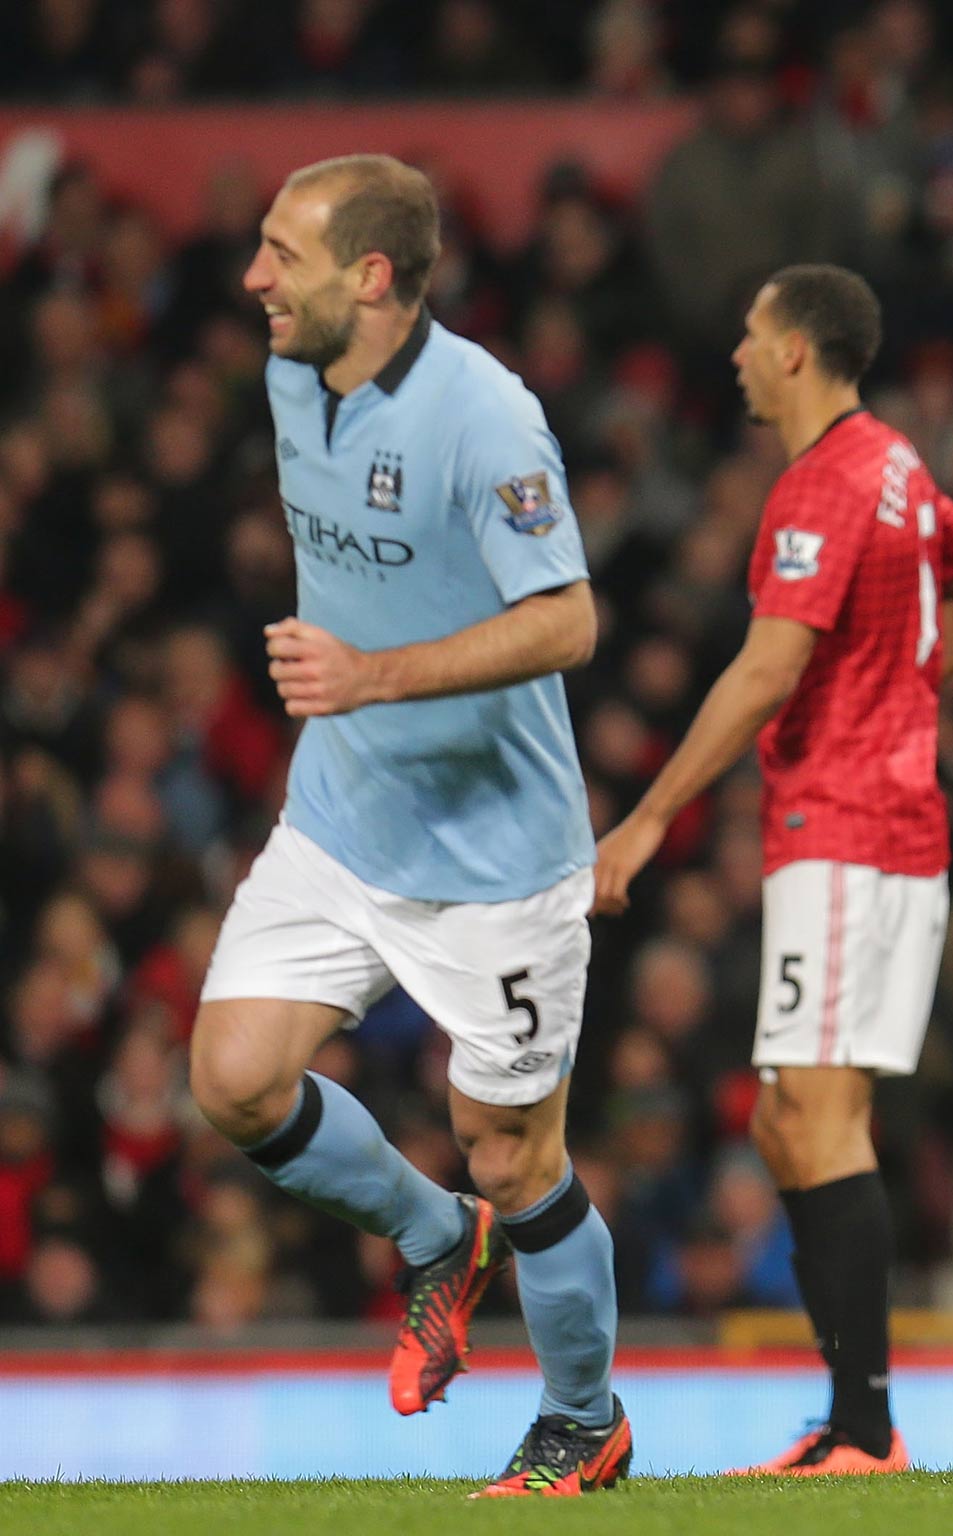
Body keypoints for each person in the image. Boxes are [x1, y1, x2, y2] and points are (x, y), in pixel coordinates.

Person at [185, 154, 629, 1499]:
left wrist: (372, 675)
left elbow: (570, 620)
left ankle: (583, 1421)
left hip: (496, 859)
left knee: (513, 1143)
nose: (254, 278)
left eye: (283, 254)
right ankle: (440, 1237)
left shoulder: (487, 417)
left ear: (370, 278)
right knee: (234, 1080)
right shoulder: (289, 372)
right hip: (343, 815)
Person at [592, 264, 953, 1476]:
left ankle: (867, 1433)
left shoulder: (821, 484)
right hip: (861, 830)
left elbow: (767, 670)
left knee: (819, 1123)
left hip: (846, 833)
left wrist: (645, 822)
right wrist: (904, 695)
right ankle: (846, 1419)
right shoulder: (899, 463)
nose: (733, 349)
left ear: (792, 349)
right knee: (787, 1124)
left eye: (748, 330)